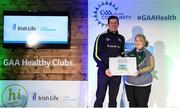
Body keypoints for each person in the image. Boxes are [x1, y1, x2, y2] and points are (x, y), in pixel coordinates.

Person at [93, 16, 125, 107]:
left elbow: (122, 52)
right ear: (108, 24)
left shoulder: (121, 38)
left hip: (116, 72)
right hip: (103, 72)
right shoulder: (101, 37)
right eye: (111, 23)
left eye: (115, 23)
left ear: (118, 24)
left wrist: (121, 56)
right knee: (100, 98)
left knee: (113, 100)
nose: (113, 25)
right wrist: (106, 68)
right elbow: (95, 55)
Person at [125, 34, 155, 107]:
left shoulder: (148, 54)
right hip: (129, 83)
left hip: (143, 84)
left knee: (141, 105)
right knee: (131, 104)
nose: (138, 42)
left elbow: (151, 66)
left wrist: (139, 71)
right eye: (136, 40)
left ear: (144, 42)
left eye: (140, 41)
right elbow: (124, 65)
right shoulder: (128, 53)